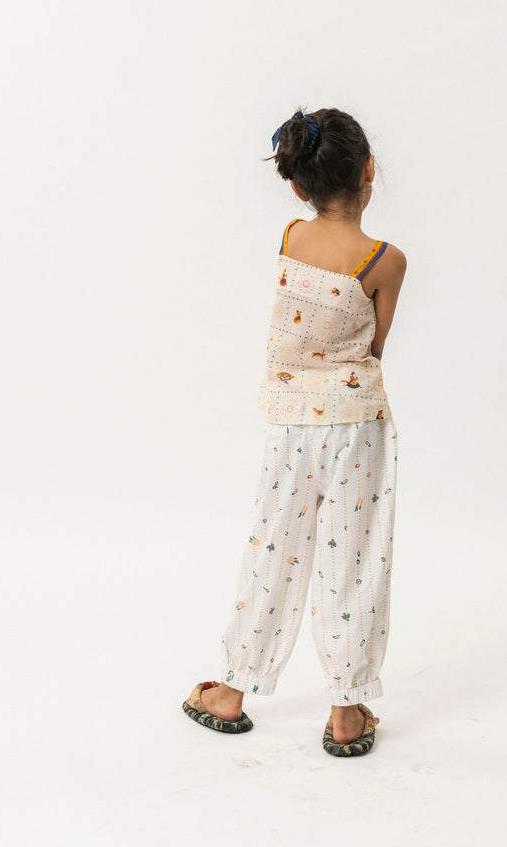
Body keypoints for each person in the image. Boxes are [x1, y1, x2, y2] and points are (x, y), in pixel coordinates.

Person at [183, 107, 407, 756]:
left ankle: (232, 691)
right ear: (369, 169)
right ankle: (346, 710)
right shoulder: (385, 261)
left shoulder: (292, 236)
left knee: (274, 547)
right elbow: (374, 346)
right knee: (354, 560)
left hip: (289, 424)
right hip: (355, 424)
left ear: (297, 182)